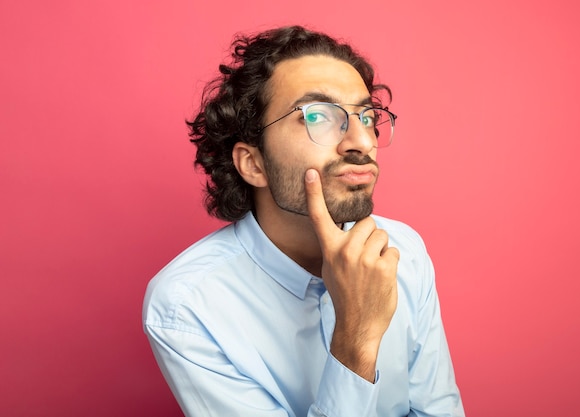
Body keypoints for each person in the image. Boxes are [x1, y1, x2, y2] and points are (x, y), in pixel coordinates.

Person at [143, 25, 464, 417]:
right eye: (319, 116)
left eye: (366, 116)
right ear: (254, 163)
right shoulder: (186, 308)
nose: (362, 142)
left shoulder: (403, 251)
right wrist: (357, 335)